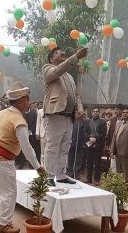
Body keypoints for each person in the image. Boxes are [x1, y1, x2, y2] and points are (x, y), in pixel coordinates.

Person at [0, 82, 45, 233]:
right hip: (2, 158)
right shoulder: (20, 121)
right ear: (19, 102)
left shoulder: (2, 113)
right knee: (9, 192)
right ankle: (3, 223)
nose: (28, 102)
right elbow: (27, 148)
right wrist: (38, 166)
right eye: (27, 99)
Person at [42, 46, 87, 187]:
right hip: (55, 115)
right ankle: (48, 175)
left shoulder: (69, 77)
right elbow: (57, 70)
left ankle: (60, 175)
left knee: (65, 147)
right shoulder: (48, 69)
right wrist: (75, 57)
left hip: (68, 117)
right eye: (57, 52)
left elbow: (77, 96)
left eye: (62, 52)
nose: (61, 53)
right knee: (52, 146)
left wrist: (79, 109)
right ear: (51, 58)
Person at [110, 107, 128, 182]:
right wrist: (111, 150)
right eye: (123, 113)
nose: (124, 114)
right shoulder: (118, 124)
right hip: (117, 152)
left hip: (127, 153)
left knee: (127, 173)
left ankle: (126, 190)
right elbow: (114, 137)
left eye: (126, 112)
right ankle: (120, 189)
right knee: (119, 172)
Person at [84, 107, 107, 185]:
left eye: (97, 111)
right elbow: (85, 132)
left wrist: (96, 139)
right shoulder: (87, 122)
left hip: (98, 145)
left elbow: (103, 134)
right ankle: (88, 178)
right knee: (89, 162)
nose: (95, 113)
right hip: (89, 144)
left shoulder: (102, 122)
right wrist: (89, 138)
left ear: (99, 113)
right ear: (92, 112)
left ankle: (96, 179)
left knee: (97, 163)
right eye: (94, 111)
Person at [35, 101, 45, 167]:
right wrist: (37, 133)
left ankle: (49, 166)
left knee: (50, 151)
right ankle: (42, 166)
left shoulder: (52, 110)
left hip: (51, 134)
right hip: (42, 134)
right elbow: (38, 122)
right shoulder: (40, 111)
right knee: (43, 152)